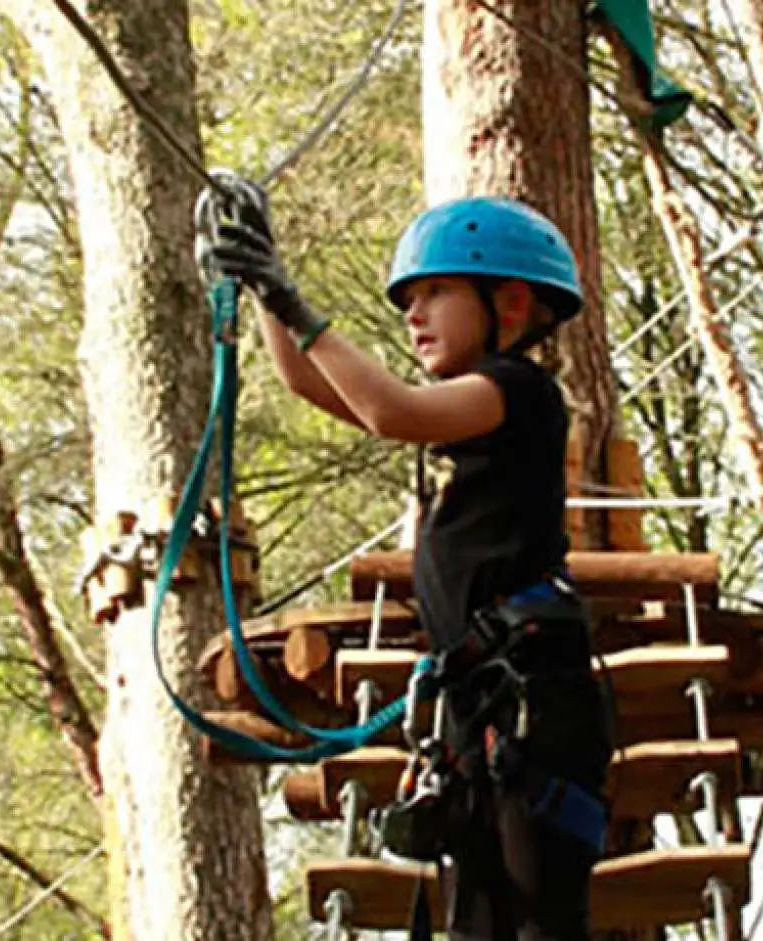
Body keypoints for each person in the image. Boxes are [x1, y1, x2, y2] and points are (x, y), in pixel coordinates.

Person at [205, 173, 612, 940]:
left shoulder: (520, 391)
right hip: (480, 709)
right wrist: (262, 287)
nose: (413, 314)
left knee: (539, 928)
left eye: (434, 293)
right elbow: (305, 377)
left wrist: (294, 301)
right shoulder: (471, 409)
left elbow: (391, 409)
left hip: (534, 709)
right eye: (407, 301)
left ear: (511, 306)